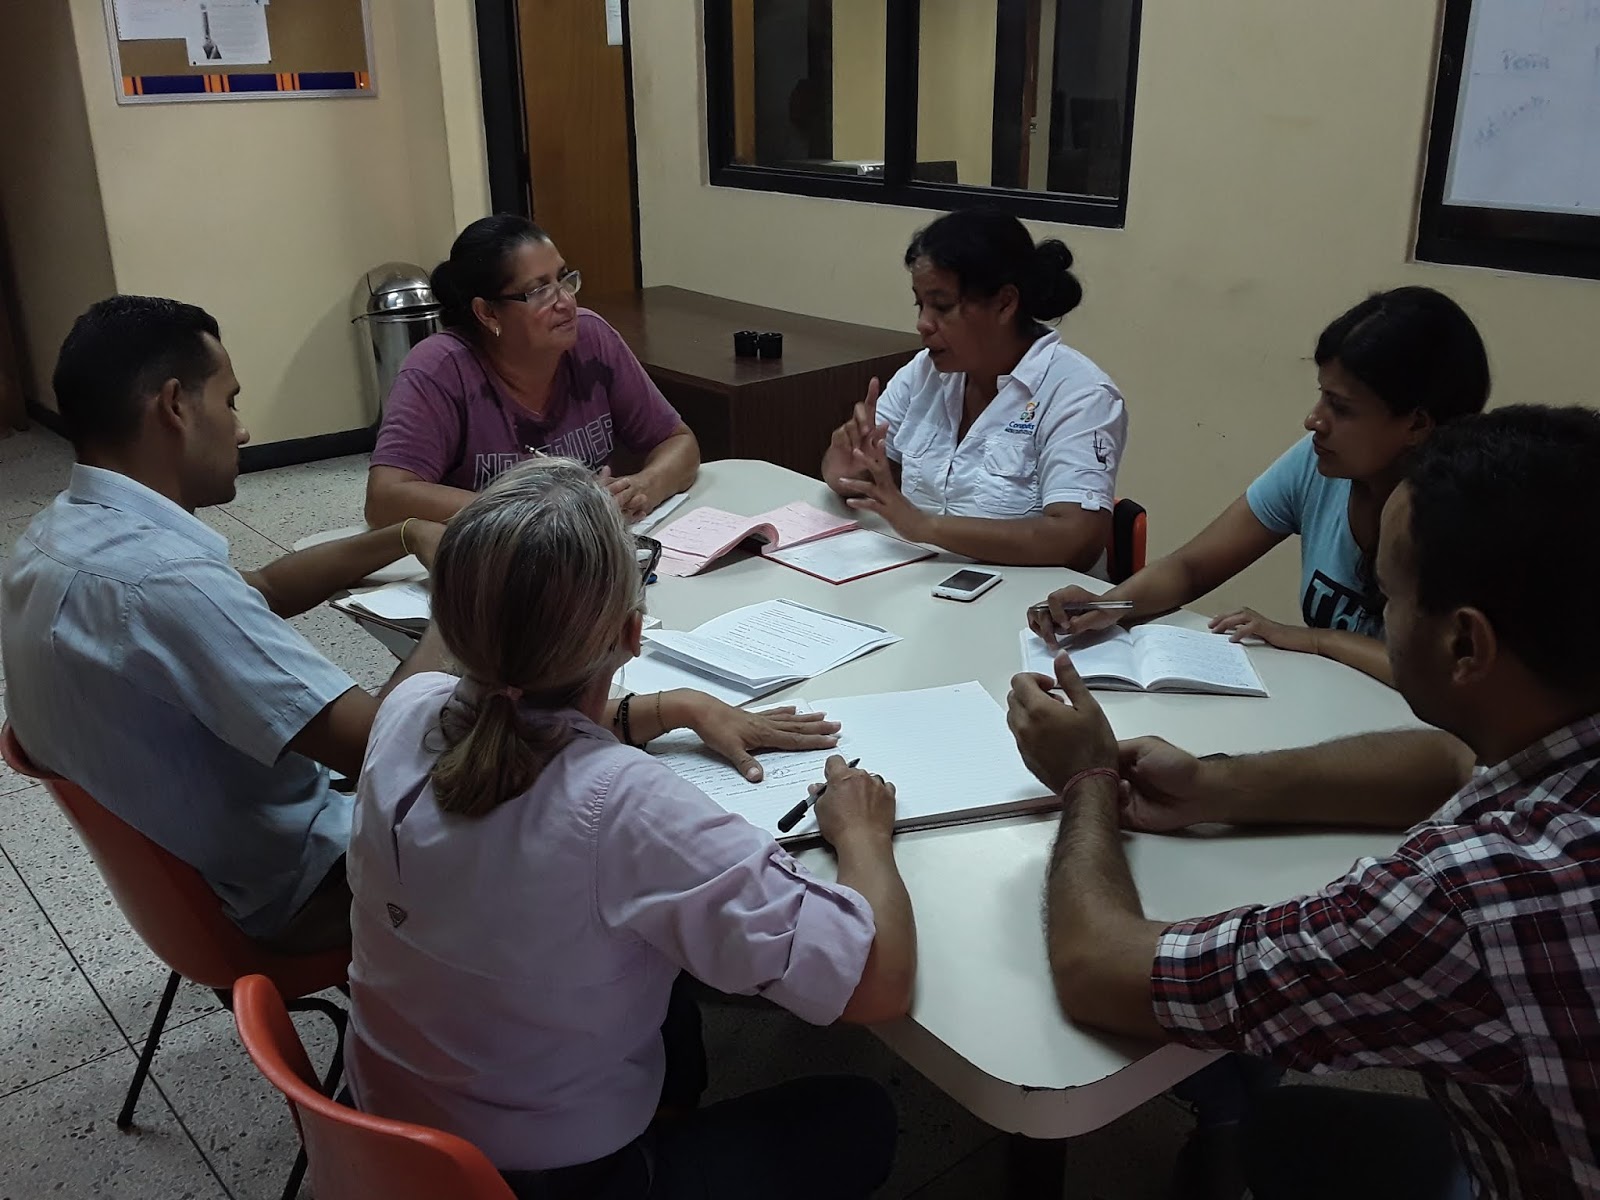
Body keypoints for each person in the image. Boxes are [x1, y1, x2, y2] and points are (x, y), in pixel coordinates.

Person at [0, 297, 837, 952]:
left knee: (536, 714)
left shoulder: (60, 539)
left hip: (200, 883)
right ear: (174, 408)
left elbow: (253, 590)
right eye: (231, 400)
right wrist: (464, 588)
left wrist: (401, 536)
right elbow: (392, 746)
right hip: (312, 879)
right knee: (596, 813)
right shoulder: (161, 587)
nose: (244, 428)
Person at [1008, 405, 1600, 1199]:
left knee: (1289, 1135)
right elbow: (1457, 763)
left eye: (1387, 596)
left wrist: (1085, 780)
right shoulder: (1555, 741)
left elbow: (1097, 969)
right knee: (1295, 1129)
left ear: (1466, 644)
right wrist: (1214, 787)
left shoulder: (1469, 902)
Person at [346, 458, 915, 1199]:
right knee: (861, 1117)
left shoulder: (405, 707)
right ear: (631, 631)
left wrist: (669, 708)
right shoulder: (625, 807)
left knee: (652, 963)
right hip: (546, 1181)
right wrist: (862, 833)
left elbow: (514, 724)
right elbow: (876, 987)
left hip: (385, 1138)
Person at [1030, 286, 1490, 685]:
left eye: (1342, 408)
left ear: (1417, 424)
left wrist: (1318, 640)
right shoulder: (1317, 465)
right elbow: (1191, 566)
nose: (1314, 420)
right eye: (1321, 396)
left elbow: (1445, 675)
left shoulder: (1467, 513)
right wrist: (1111, 604)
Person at [820, 208, 1128, 570]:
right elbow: (861, 479)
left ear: (1005, 303)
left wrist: (925, 527)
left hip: (1026, 596)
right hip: (922, 579)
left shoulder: (1080, 394)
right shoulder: (925, 372)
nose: (923, 324)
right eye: (920, 304)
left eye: (942, 306)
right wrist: (846, 466)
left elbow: (1076, 540)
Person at [365, 215, 699, 526]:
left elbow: (678, 442)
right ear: (487, 313)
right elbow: (385, 499)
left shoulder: (591, 337)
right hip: (493, 555)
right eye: (539, 291)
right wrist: (537, 512)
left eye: (564, 279)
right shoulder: (440, 368)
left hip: (592, 547)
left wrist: (644, 485)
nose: (566, 302)